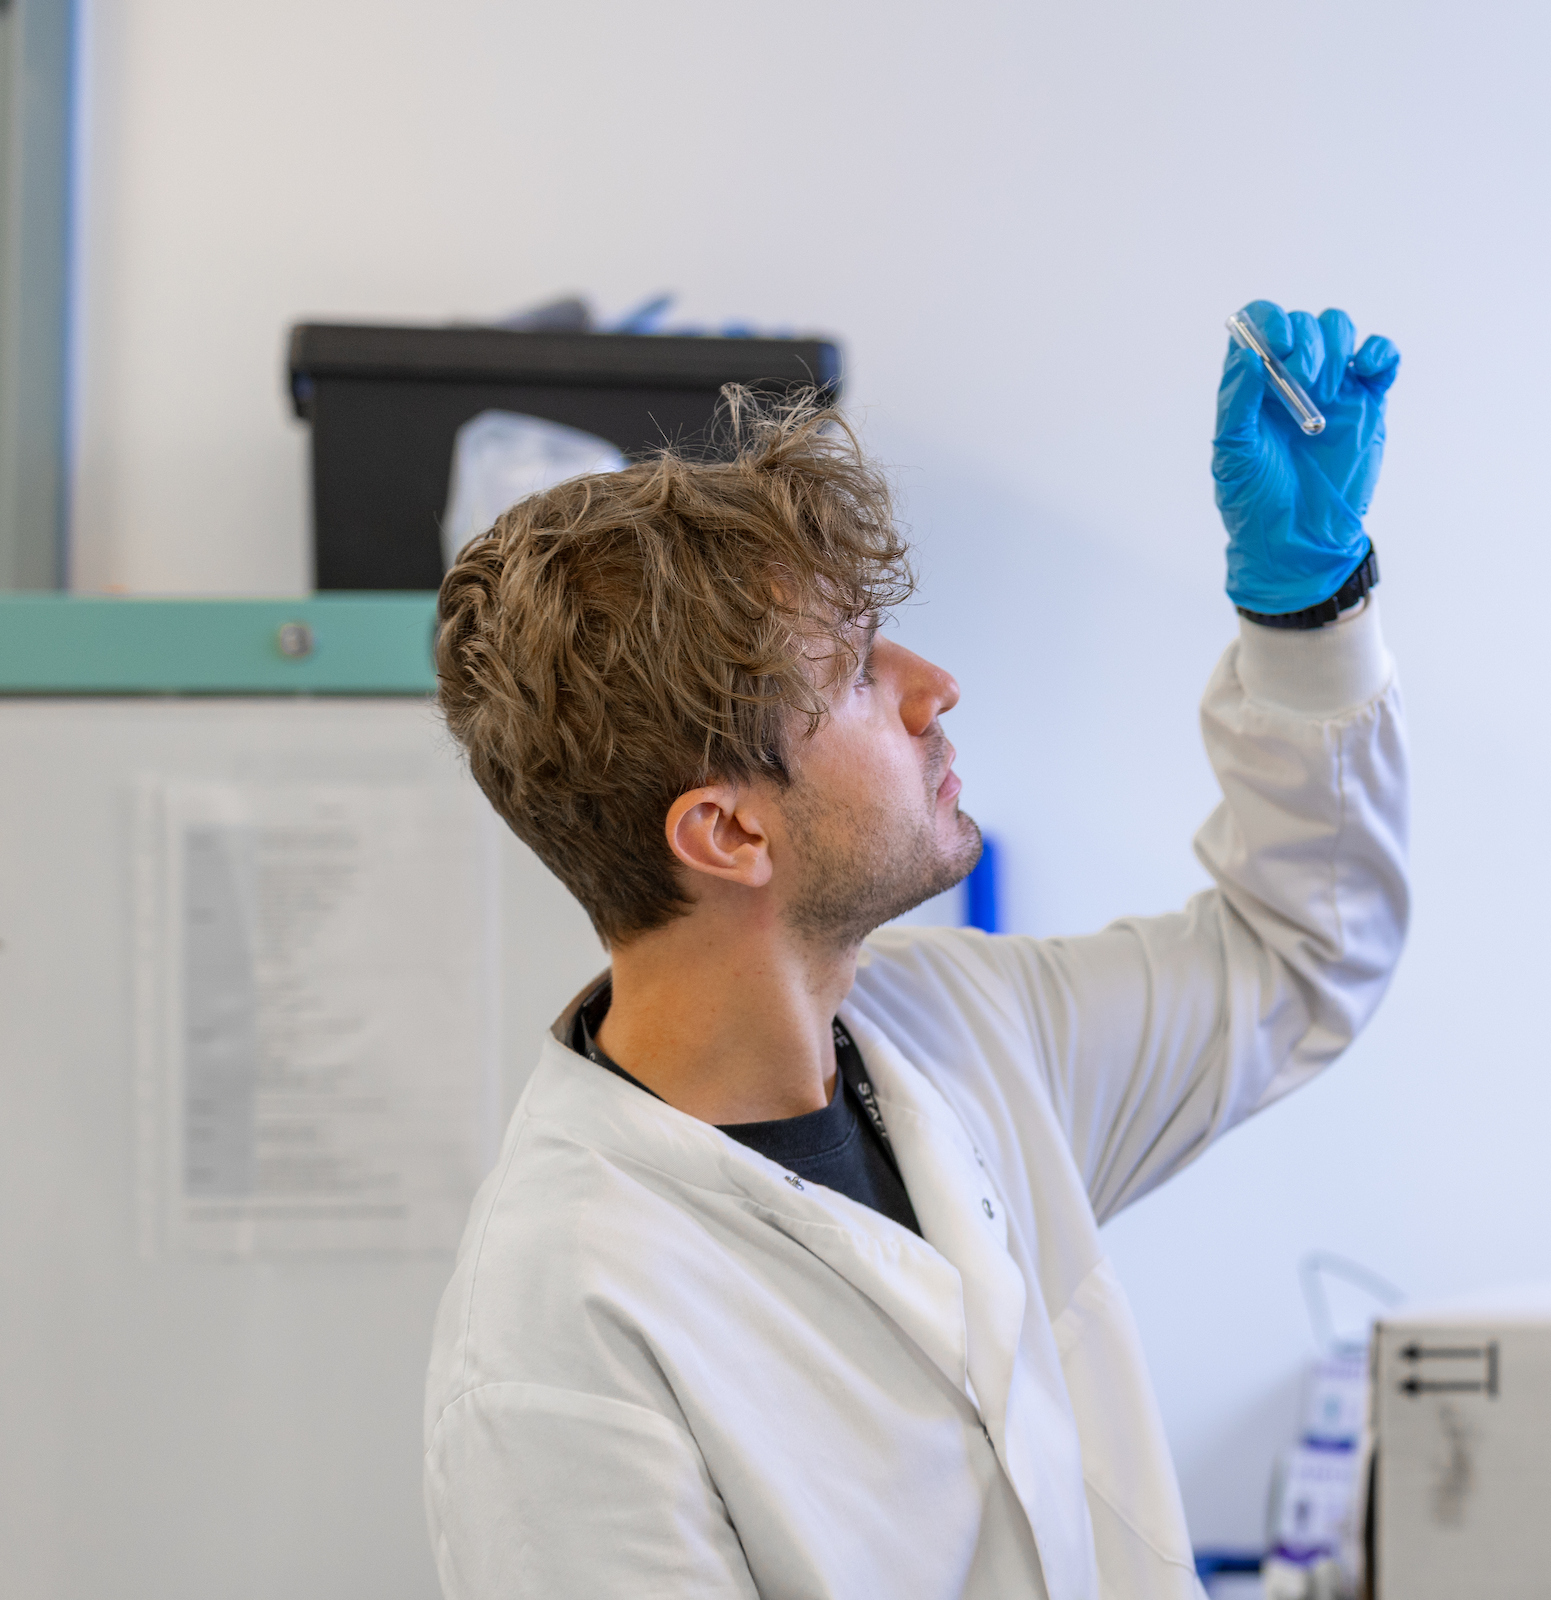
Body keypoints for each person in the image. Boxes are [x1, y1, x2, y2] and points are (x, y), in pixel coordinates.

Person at [419, 300, 1409, 1599]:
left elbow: (1294, 957)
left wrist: (1309, 615)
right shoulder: (567, 1324)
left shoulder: (962, 1030)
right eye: (857, 673)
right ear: (726, 830)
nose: (934, 686)